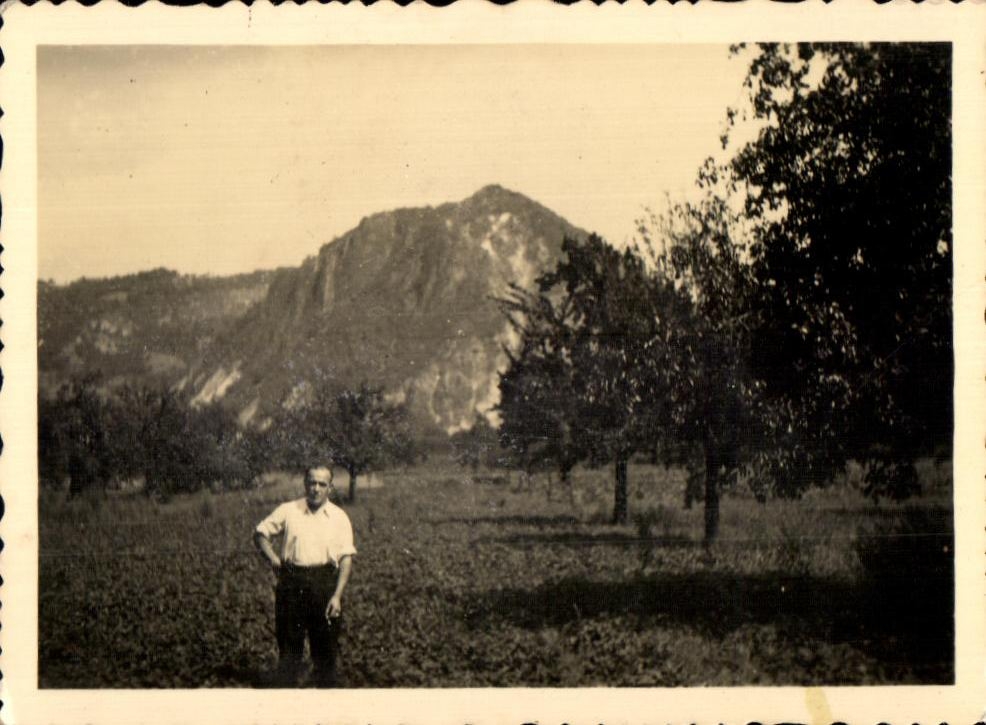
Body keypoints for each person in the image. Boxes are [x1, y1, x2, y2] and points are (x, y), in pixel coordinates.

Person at [254, 465, 356, 687]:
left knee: (326, 652)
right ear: (305, 484)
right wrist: (274, 559)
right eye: (312, 483)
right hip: (292, 584)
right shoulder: (289, 510)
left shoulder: (339, 517)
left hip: (324, 584)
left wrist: (337, 596)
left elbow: (346, 558)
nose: (316, 489)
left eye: (322, 484)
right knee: (289, 650)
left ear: (330, 487)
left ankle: (325, 701)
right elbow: (260, 533)